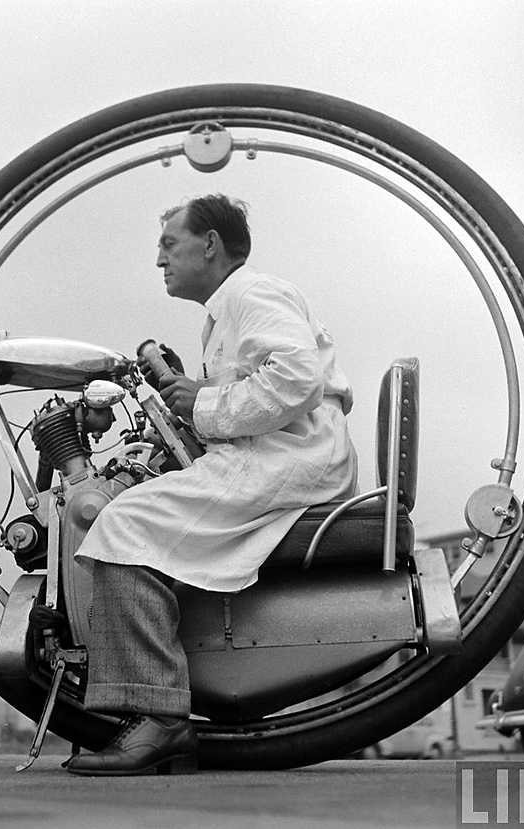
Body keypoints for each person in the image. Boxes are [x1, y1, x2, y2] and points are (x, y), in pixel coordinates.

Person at [67, 194, 360, 775]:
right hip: (283, 453)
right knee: (137, 513)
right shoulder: (230, 309)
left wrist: (204, 405)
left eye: (168, 244)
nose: (159, 260)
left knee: (122, 522)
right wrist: (200, 399)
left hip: (287, 458)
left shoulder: (255, 293)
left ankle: (159, 721)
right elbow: (266, 384)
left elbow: (295, 377)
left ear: (211, 244)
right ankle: (159, 703)